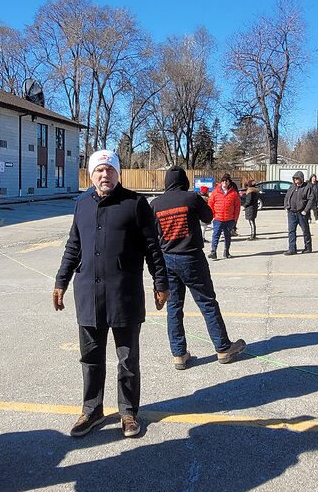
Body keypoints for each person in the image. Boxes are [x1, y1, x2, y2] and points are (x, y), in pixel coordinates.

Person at [54, 150, 169, 439]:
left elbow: (152, 247)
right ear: (91, 174)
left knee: (127, 359)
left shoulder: (135, 203)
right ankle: (91, 410)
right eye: (99, 170)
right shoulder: (81, 205)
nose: (105, 175)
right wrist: (61, 280)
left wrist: (161, 282)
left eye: (110, 170)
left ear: (118, 173)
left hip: (124, 295)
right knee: (90, 358)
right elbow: (73, 246)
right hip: (88, 295)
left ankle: (128, 412)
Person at [150, 167, 247, 371]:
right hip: (191, 257)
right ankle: (222, 348)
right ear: (183, 181)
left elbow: (153, 233)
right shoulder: (191, 198)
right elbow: (208, 217)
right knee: (207, 303)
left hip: (167, 259)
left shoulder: (156, 204)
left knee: (174, 308)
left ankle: (179, 354)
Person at [208, 173, 241, 259]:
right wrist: (212, 215)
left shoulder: (233, 193)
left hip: (229, 219)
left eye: (226, 181)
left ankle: (226, 252)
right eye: (223, 181)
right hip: (218, 218)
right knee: (216, 235)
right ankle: (213, 251)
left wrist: (235, 219)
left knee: (227, 236)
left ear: (229, 182)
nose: (224, 183)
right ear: (221, 182)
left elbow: (237, 207)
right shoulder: (215, 192)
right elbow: (210, 203)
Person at [284, 171, 315, 255]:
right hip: (291, 213)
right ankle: (292, 249)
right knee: (291, 231)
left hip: (302, 213)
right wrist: (287, 207)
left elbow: (311, 199)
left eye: (297, 178)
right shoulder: (292, 187)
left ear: (301, 179)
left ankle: (308, 247)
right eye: (294, 178)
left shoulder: (307, 187)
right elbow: (287, 197)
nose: (295, 180)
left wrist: (305, 210)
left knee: (305, 231)